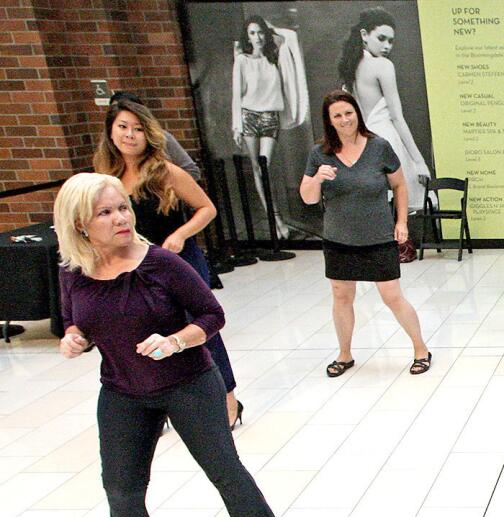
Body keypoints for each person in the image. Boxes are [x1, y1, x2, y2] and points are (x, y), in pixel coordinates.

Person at [56, 173, 278, 517]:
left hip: (188, 383)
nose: (121, 217)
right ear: (80, 224)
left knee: (222, 467)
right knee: (120, 479)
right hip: (122, 389)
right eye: (105, 212)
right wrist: (74, 338)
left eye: (122, 207)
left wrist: (176, 341)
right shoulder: (74, 270)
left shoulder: (162, 263)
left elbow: (212, 316)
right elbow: (76, 321)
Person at [95, 98, 244, 429]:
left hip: (178, 262)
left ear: (148, 134)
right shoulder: (106, 179)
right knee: (141, 332)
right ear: (110, 132)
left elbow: (206, 208)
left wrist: (180, 234)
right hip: (133, 266)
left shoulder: (165, 170)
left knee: (201, 328)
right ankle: (156, 406)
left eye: (137, 129)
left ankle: (228, 399)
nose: (130, 135)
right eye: (122, 127)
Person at [300, 90, 431, 378]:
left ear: (357, 113)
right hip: (338, 239)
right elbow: (308, 198)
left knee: (392, 296)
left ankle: (421, 348)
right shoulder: (319, 154)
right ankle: (344, 354)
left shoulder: (379, 146)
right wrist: (318, 178)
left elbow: (399, 185)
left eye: (349, 112)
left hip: (377, 236)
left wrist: (402, 223)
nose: (345, 119)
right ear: (329, 121)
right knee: (342, 296)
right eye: (337, 115)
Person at [339, 7, 431, 213]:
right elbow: (397, 118)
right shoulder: (383, 65)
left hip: (362, 143)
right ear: (364, 35)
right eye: (381, 38)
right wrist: (418, 161)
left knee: (378, 209)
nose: (387, 46)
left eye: (391, 41)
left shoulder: (351, 68)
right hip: (386, 141)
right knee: (399, 209)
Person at [232, 15, 299, 238]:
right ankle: (276, 220)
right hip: (248, 116)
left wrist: (270, 26)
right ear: (247, 36)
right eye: (252, 33)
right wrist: (236, 126)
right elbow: (237, 94)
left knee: (265, 166)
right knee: (257, 170)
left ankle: (278, 217)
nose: (257, 37)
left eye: (260, 32)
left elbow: (290, 37)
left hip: (270, 116)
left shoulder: (274, 56)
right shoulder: (242, 60)